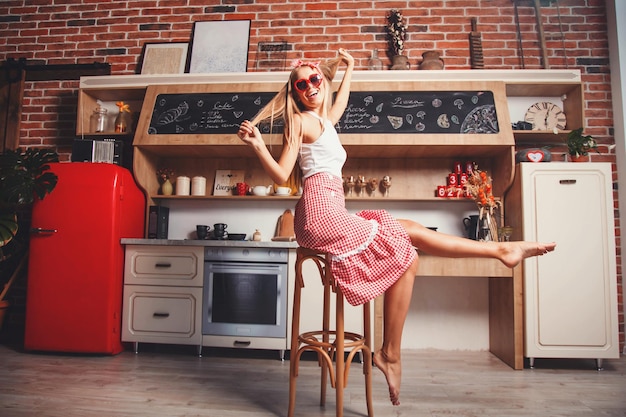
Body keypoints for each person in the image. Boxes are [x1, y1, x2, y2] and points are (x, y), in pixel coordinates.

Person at [237, 49, 556, 406]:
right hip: (318, 214)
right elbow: (282, 175)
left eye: (315, 80)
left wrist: (351, 67)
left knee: (410, 249)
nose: (310, 87)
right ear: (295, 92)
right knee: (412, 234)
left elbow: (340, 101)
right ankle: (500, 251)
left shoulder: (325, 120)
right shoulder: (301, 121)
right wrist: (257, 146)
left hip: (331, 210)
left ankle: (390, 352)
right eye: (302, 84)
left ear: (323, 83)